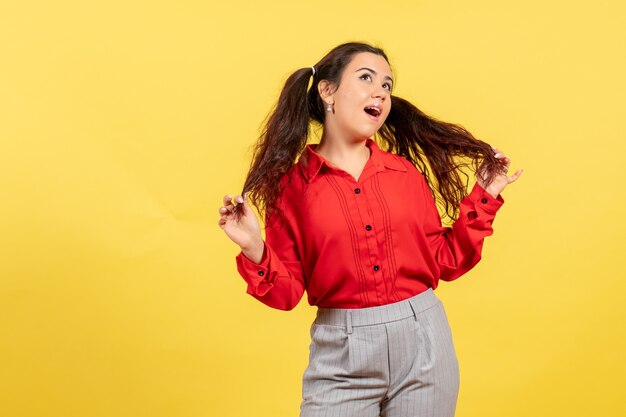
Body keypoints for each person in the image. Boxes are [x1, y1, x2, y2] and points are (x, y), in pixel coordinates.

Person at [217, 42, 522, 417]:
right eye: (366, 78)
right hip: (341, 354)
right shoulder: (291, 189)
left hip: (424, 344)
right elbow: (287, 293)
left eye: (387, 85)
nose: (381, 91)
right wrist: (254, 247)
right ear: (327, 91)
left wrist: (484, 198)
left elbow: (445, 260)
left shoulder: (403, 174)